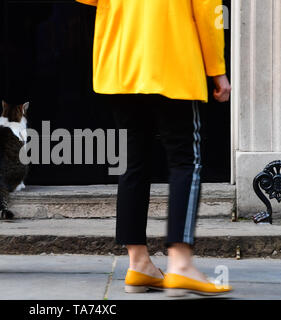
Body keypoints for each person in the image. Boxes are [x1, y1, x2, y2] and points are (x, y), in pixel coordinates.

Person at [77, 0, 232, 296]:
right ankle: (181, 264)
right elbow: (207, 8)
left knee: (132, 162)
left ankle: (138, 263)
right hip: (172, 59)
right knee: (186, 160)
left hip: (120, 60)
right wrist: (217, 69)